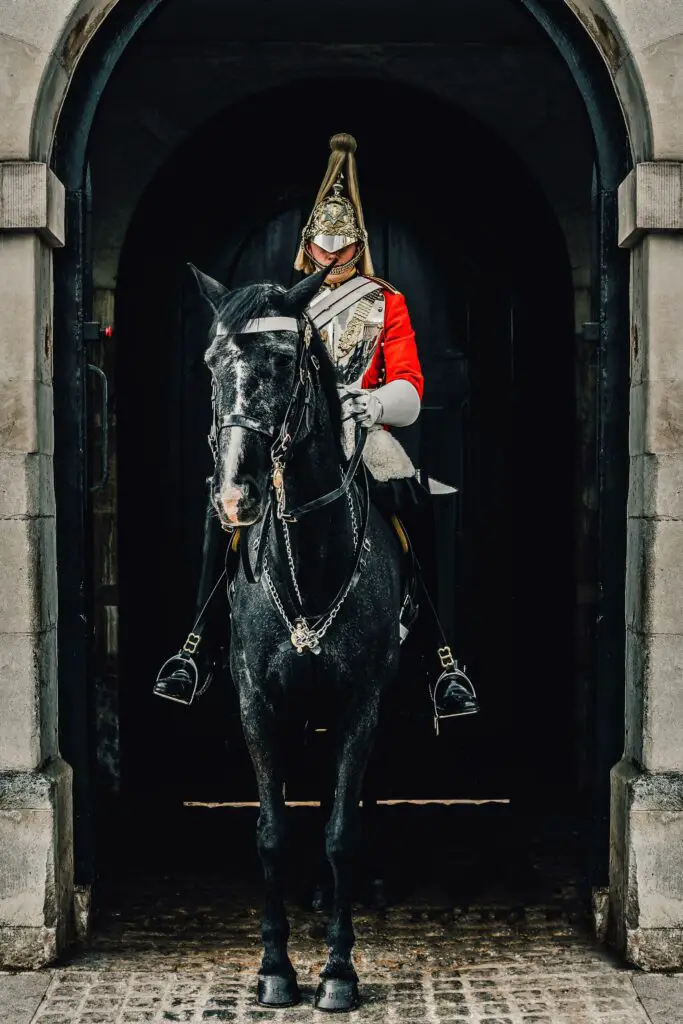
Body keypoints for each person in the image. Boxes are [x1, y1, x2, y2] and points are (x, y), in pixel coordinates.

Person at [154, 133, 479, 724]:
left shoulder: (387, 303)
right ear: (307, 247)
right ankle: (198, 645)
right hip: (286, 437)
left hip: (362, 428)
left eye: (344, 250)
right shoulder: (276, 303)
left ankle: (440, 656)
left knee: (414, 501)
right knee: (224, 499)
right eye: (323, 250)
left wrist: (371, 405)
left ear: (358, 249)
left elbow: (410, 386)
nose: (332, 260)